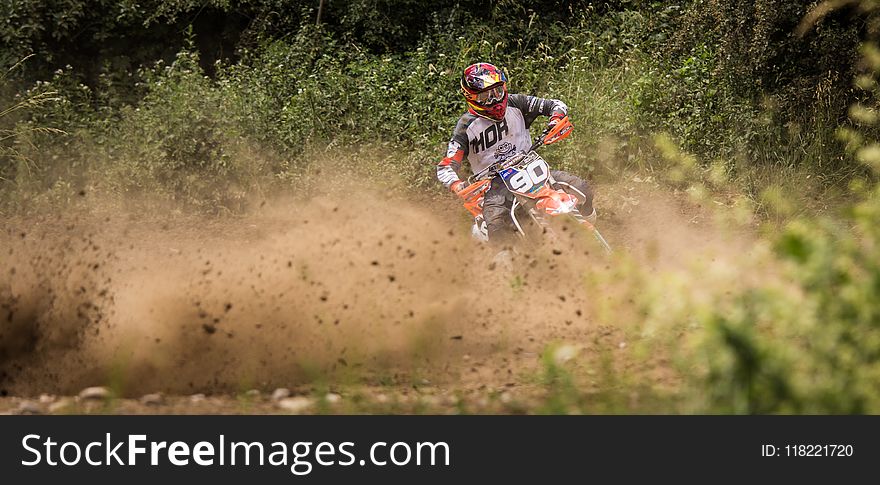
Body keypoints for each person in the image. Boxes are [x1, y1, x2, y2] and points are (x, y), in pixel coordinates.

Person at [436, 62, 596, 246]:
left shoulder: (516, 103)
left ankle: (591, 240)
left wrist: (555, 121)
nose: (494, 100)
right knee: (497, 228)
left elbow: (556, 105)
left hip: (530, 168)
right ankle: (505, 264)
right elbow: (445, 166)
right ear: (471, 97)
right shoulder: (466, 126)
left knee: (582, 188)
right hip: (494, 185)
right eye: (485, 96)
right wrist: (458, 185)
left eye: (497, 92)